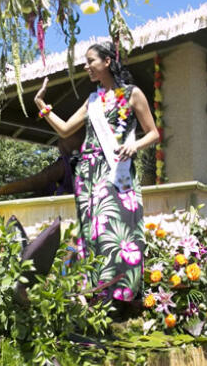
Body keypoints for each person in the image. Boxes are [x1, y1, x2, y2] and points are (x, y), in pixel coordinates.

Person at [33, 41, 158, 306]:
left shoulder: (132, 94)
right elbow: (65, 129)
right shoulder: (93, 100)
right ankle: (98, 293)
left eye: (91, 61)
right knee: (92, 231)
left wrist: (134, 144)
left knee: (115, 228)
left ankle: (122, 293)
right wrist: (41, 104)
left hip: (116, 171)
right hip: (88, 173)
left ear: (108, 62)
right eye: (85, 62)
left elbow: (154, 133)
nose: (86, 66)